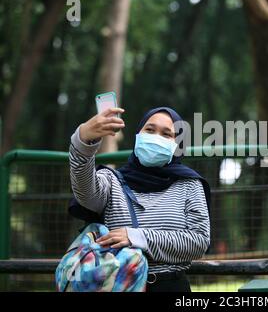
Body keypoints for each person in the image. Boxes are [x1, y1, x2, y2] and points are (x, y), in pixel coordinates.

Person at [69, 106, 211, 292]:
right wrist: (82, 142)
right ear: (138, 134)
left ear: (177, 145)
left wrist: (136, 236)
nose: (155, 138)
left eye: (166, 134)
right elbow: (85, 194)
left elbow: (199, 241)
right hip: (119, 284)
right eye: (150, 130)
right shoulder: (112, 181)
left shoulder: (190, 185)